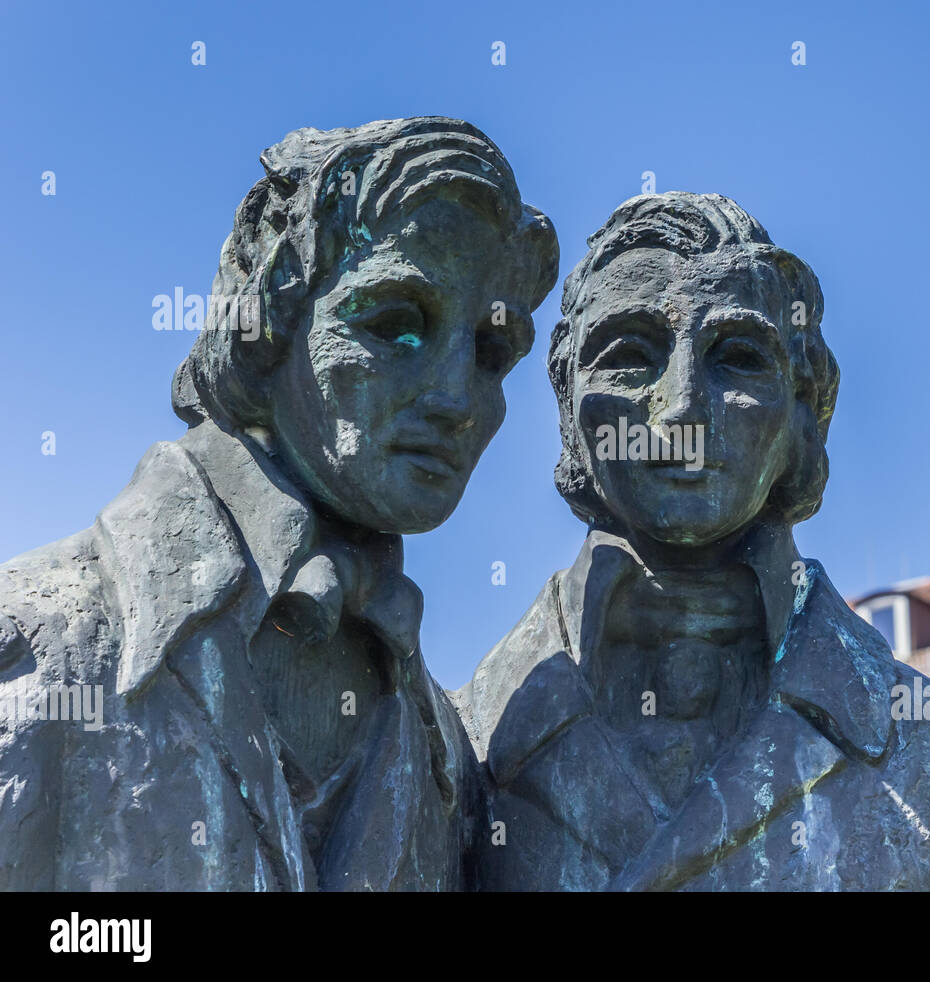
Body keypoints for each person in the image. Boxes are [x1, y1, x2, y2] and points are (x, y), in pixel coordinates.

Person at [454, 191, 930, 891]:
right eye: (629, 356)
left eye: (738, 359)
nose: (682, 408)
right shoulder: (446, 759)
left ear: (806, 414)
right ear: (570, 413)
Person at [0, 116, 558, 890]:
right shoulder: (37, 646)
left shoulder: (449, 755)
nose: (457, 398)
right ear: (267, 322)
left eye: (492, 353)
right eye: (396, 325)